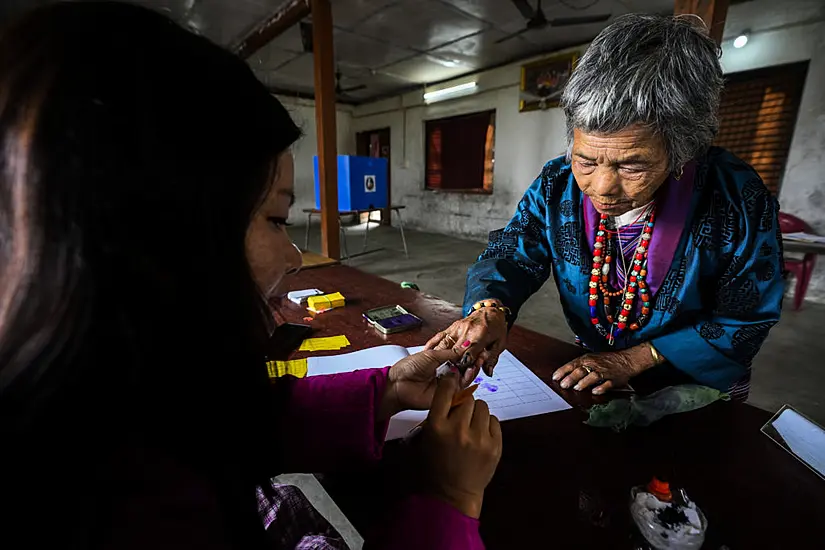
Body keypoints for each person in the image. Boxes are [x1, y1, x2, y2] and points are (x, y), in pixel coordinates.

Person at [0, 3, 499, 548]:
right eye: (276, 219)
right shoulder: (126, 505)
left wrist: (386, 389)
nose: (292, 257)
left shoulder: (117, 396)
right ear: (164, 229)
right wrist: (447, 500)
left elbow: (217, 419)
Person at [429, 14, 783, 401]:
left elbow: (746, 317)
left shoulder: (735, 196)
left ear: (683, 150)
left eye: (632, 165)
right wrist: (489, 309)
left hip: (694, 384)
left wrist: (632, 360)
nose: (601, 188)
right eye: (586, 160)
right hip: (597, 368)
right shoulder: (557, 182)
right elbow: (514, 249)